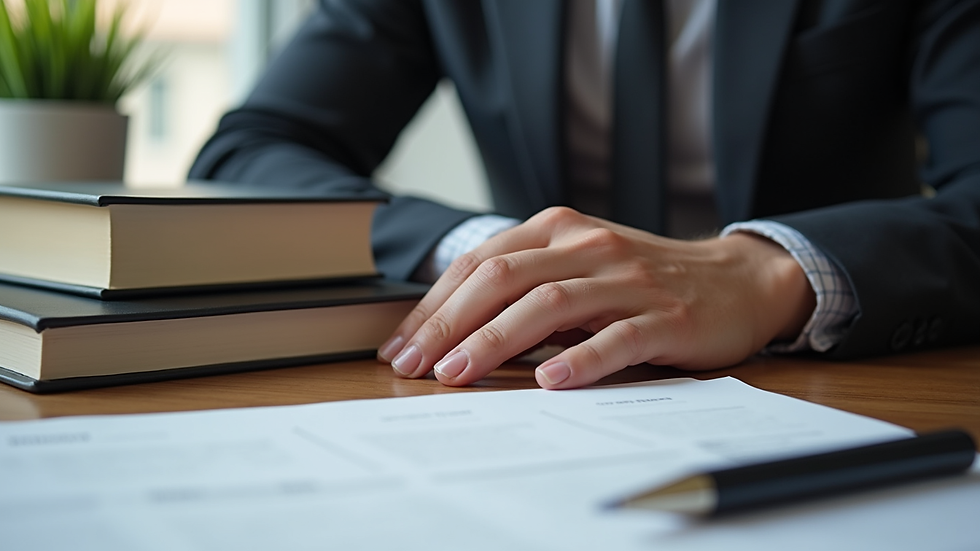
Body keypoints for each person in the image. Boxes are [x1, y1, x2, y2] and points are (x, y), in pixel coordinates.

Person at [190, 0, 980, 390]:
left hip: (839, 378)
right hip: (538, 384)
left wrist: (771, 271)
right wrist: (491, 256)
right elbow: (249, 151)